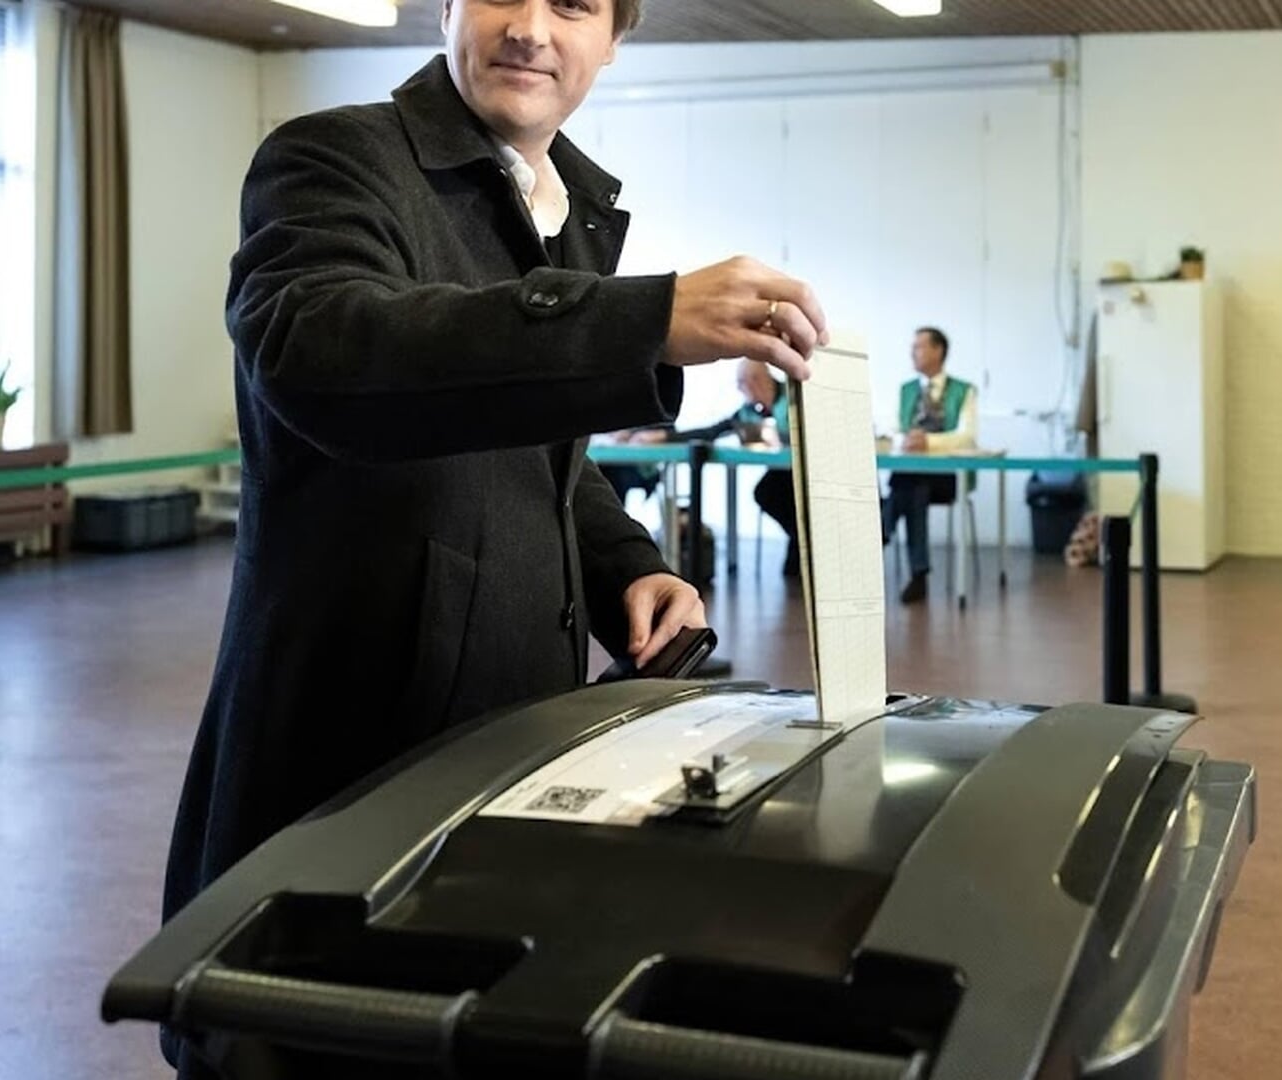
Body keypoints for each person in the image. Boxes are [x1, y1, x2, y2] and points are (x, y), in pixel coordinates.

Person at [160, 1, 829, 1074]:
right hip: (350, 750)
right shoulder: (333, 158)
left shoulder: (572, 204)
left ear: (615, 38)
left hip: (518, 742)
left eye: (573, 4)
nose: (531, 27)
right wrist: (640, 317)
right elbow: (322, 355)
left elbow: (534, 435)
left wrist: (629, 564)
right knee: (317, 1041)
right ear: (444, 8)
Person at [644, 360, 798, 576]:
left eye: (740, 383)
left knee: (770, 492)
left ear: (754, 382)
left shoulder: (794, 399)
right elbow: (712, 432)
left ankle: (801, 546)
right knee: (766, 493)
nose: (738, 389)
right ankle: (799, 544)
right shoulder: (748, 411)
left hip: (804, 475)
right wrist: (665, 436)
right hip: (781, 474)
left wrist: (779, 437)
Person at [883, 326, 977, 604]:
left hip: (948, 476)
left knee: (910, 485)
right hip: (913, 475)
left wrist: (930, 443)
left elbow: (966, 436)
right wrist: (906, 439)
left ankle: (881, 529)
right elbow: (893, 431)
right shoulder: (905, 391)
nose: (913, 352)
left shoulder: (965, 390)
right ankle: (918, 574)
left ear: (939, 351)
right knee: (914, 487)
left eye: (919, 347)